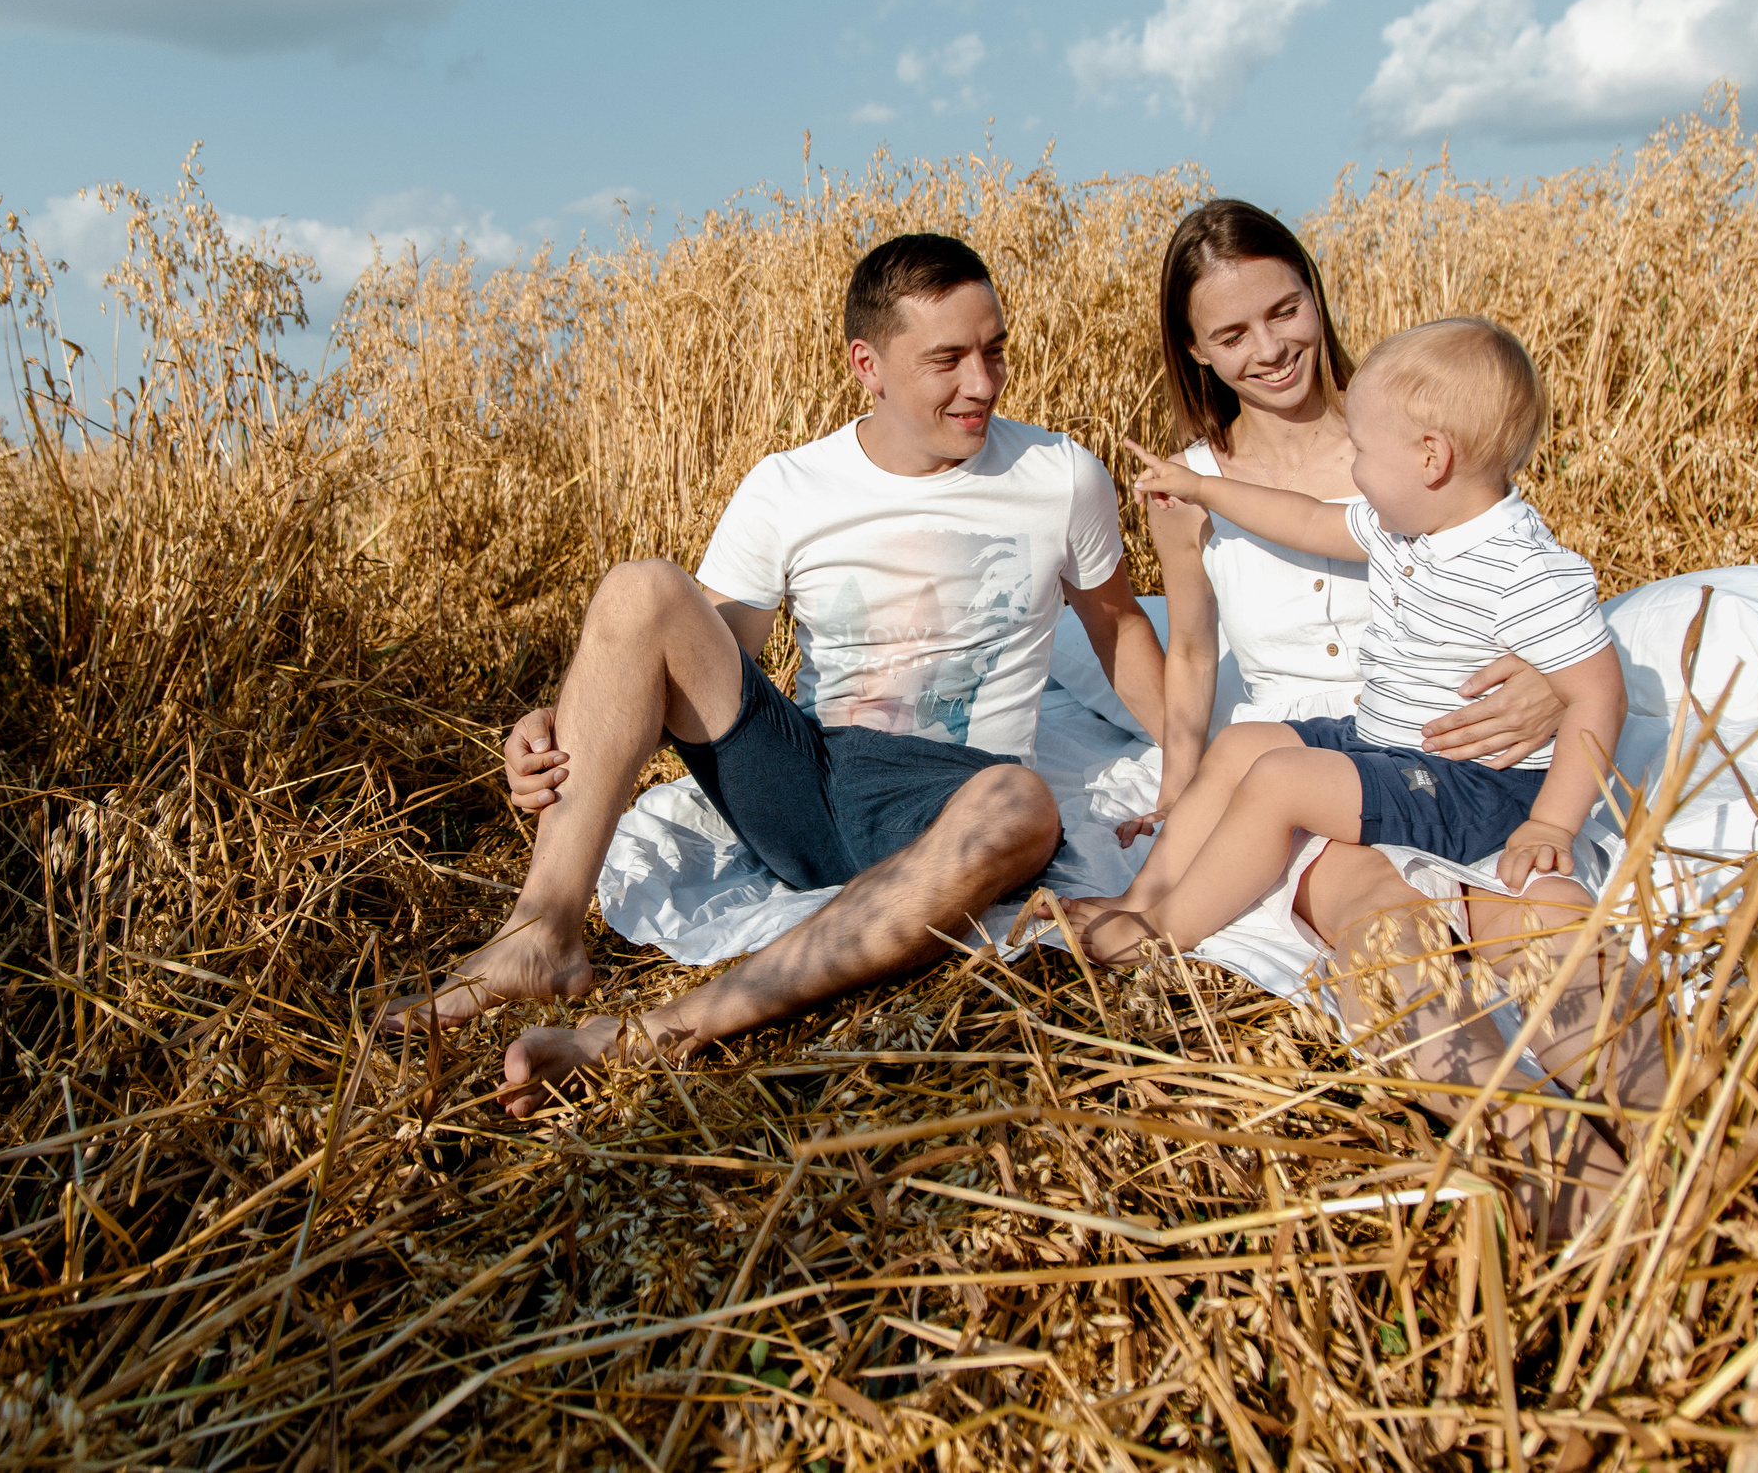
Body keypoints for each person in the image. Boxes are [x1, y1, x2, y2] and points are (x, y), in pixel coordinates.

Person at [381, 233, 1170, 1119]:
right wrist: (561, 713)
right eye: (947, 359)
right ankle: (540, 935)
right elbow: (696, 650)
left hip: (953, 796)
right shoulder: (791, 486)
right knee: (641, 589)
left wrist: (1197, 767)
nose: (982, 383)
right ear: (867, 364)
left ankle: (656, 1033)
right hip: (812, 777)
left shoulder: (1058, 475)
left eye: (994, 351)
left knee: (1025, 802)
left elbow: (1117, 626)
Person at [1063, 316, 1629, 962]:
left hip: (1472, 787)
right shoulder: (1409, 527)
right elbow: (1303, 519)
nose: (1352, 469)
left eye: (1361, 452)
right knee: (1247, 742)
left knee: (1280, 779)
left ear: (1431, 457)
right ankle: (1141, 895)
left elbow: (1599, 697)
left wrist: (1551, 823)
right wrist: (1199, 488)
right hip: (1392, 744)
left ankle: (1165, 932)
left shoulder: (1522, 566)